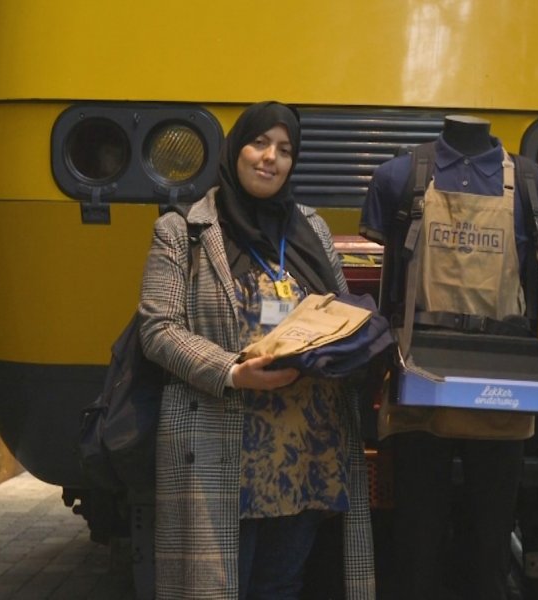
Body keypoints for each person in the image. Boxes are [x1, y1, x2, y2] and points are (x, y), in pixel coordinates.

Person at [139, 101, 375, 599]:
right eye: (259, 143)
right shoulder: (183, 231)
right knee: (225, 587)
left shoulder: (309, 227)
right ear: (235, 149)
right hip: (223, 445)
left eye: (285, 150)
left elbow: (336, 309)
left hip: (305, 452)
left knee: (281, 584)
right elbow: (158, 329)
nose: (271, 158)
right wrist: (233, 371)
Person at [359, 115, 538, 599]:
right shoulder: (398, 176)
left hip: (504, 380)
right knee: (415, 531)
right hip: (421, 376)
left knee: (491, 534)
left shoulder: (531, 182)